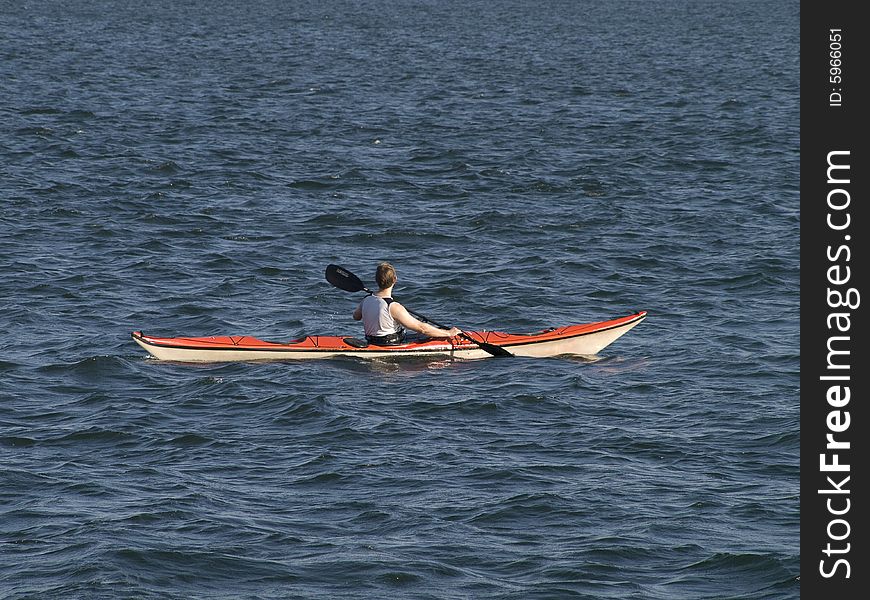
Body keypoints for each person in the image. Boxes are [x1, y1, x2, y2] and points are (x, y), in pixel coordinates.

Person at [352, 262, 462, 345]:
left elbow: (356, 317)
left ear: (376, 280)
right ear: (395, 279)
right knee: (425, 332)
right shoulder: (394, 307)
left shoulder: (366, 300)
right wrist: (448, 333)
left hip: (372, 342)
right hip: (391, 345)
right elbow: (422, 328)